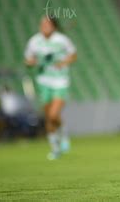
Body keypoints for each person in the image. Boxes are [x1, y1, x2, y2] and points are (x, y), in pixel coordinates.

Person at [25, 16, 77, 160]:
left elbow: (73, 55)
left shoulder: (62, 40)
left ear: (53, 26)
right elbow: (28, 60)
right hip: (43, 81)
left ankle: (64, 133)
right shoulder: (35, 41)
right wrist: (34, 61)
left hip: (60, 81)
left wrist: (63, 62)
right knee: (48, 116)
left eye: (47, 23)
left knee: (54, 114)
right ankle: (55, 148)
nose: (43, 26)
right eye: (42, 23)